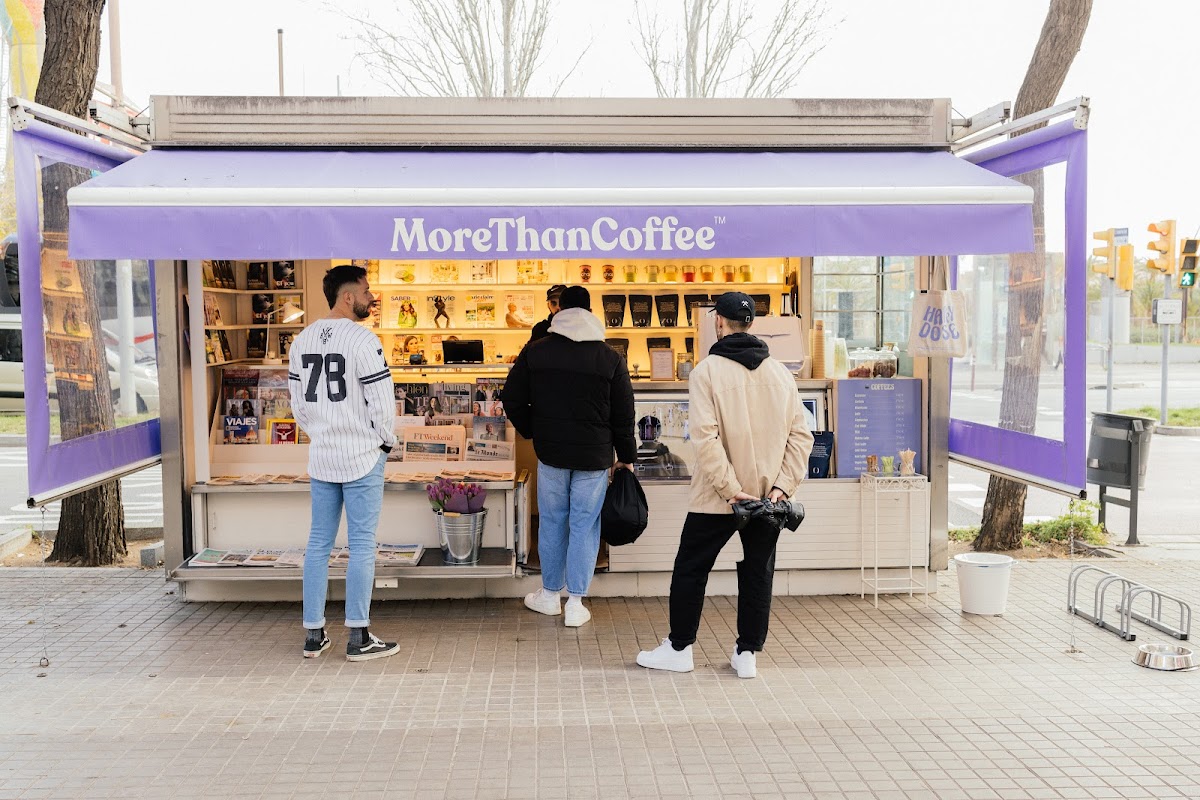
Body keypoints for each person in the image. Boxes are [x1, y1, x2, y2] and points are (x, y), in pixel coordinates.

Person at [637, 292, 813, 679]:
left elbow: (705, 439)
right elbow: (802, 437)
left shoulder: (707, 371)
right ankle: (747, 653)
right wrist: (782, 488)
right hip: (769, 497)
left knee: (691, 568)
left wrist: (731, 489)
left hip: (718, 498)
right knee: (758, 571)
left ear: (719, 322)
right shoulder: (781, 373)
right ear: (751, 324)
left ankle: (680, 648)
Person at [503, 285, 636, 628]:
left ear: (559, 311)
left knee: (551, 520)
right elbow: (623, 414)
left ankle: (549, 595)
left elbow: (511, 397)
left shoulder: (537, 351)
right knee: (584, 524)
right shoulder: (610, 357)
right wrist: (627, 456)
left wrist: (533, 430)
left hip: (552, 452)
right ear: (591, 313)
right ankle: (575, 602)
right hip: (594, 456)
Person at [288, 264, 400, 662]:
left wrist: (321, 432)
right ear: (348, 296)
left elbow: (298, 407)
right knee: (362, 545)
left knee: (318, 544)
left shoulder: (300, 340)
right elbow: (382, 404)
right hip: (362, 454)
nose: (372, 297)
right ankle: (359, 636)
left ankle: (313, 634)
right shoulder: (363, 340)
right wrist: (385, 442)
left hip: (322, 455)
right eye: (367, 291)